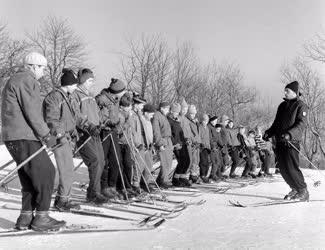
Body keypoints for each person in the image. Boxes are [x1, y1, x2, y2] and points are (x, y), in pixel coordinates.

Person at [1, 52, 66, 231]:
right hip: (24, 136)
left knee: (30, 177)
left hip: (14, 136)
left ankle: (26, 217)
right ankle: (42, 218)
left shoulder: (16, 79)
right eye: (42, 68)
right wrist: (47, 136)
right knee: (47, 172)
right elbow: (33, 112)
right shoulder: (26, 80)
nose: (43, 72)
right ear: (33, 66)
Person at [264, 81, 309, 201]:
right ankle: (294, 189)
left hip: (291, 142)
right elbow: (276, 123)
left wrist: (290, 134)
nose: (285, 92)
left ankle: (303, 191)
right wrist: (269, 132)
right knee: (283, 169)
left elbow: (301, 124)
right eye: (285, 90)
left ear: (294, 92)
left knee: (291, 168)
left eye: (287, 91)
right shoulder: (282, 106)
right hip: (279, 142)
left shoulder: (301, 106)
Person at [43, 68, 80, 211]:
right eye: (75, 84)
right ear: (69, 84)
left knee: (68, 169)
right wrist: (59, 133)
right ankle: (62, 201)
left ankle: (63, 198)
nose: (76, 87)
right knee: (66, 169)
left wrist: (77, 130)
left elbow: (71, 118)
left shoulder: (67, 97)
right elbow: (51, 118)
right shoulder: (55, 97)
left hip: (67, 136)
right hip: (59, 137)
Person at [71, 68, 108, 205]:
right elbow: (76, 114)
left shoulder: (91, 95)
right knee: (95, 162)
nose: (92, 83)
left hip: (95, 133)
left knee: (101, 162)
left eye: (93, 80)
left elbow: (96, 113)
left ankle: (95, 191)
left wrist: (101, 122)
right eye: (90, 80)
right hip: (84, 134)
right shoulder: (75, 95)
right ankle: (93, 193)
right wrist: (88, 126)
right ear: (82, 81)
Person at [95, 78, 126, 199]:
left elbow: (116, 114)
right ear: (117, 91)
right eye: (123, 90)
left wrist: (117, 123)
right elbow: (95, 113)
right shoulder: (101, 98)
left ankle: (112, 186)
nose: (124, 92)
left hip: (113, 131)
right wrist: (105, 122)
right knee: (104, 161)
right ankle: (104, 186)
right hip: (103, 132)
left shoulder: (116, 99)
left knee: (116, 160)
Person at [167, 103, 190, 187]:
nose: (176, 113)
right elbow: (170, 134)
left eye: (177, 112)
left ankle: (182, 177)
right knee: (181, 161)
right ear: (171, 111)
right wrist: (174, 143)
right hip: (176, 144)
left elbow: (180, 133)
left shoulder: (176, 120)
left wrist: (185, 140)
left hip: (182, 143)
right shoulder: (168, 120)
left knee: (187, 161)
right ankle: (175, 178)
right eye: (175, 112)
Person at [152, 102, 173, 188]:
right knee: (165, 162)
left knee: (169, 161)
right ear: (162, 108)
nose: (168, 110)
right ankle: (164, 180)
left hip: (168, 140)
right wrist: (159, 143)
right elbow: (156, 131)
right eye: (167, 108)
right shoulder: (157, 116)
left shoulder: (164, 116)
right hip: (162, 140)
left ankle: (161, 179)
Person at [186, 105, 202, 184]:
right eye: (191, 113)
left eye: (194, 113)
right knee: (192, 161)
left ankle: (195, 175)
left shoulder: (195, 122)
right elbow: (189, 133)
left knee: (197, 161)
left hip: (197, 143)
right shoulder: (187, 121)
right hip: (192, 143)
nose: (193, 115)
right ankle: (192, 176)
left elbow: (197, 133)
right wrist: (193, 141)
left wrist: (199, 141)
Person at [199, 114, 212, 183]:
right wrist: (201, 144)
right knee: (203, 162)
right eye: (204, 121)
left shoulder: (207, 128)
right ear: (202, 121)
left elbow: (208, 138)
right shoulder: (200, 127)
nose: (205, 122)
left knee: (207, 162)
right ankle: (202, 175)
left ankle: (205, 175)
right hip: (202, 147)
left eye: (206, 121)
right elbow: (199, 136)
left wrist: (209, 146)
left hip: (207, 147)